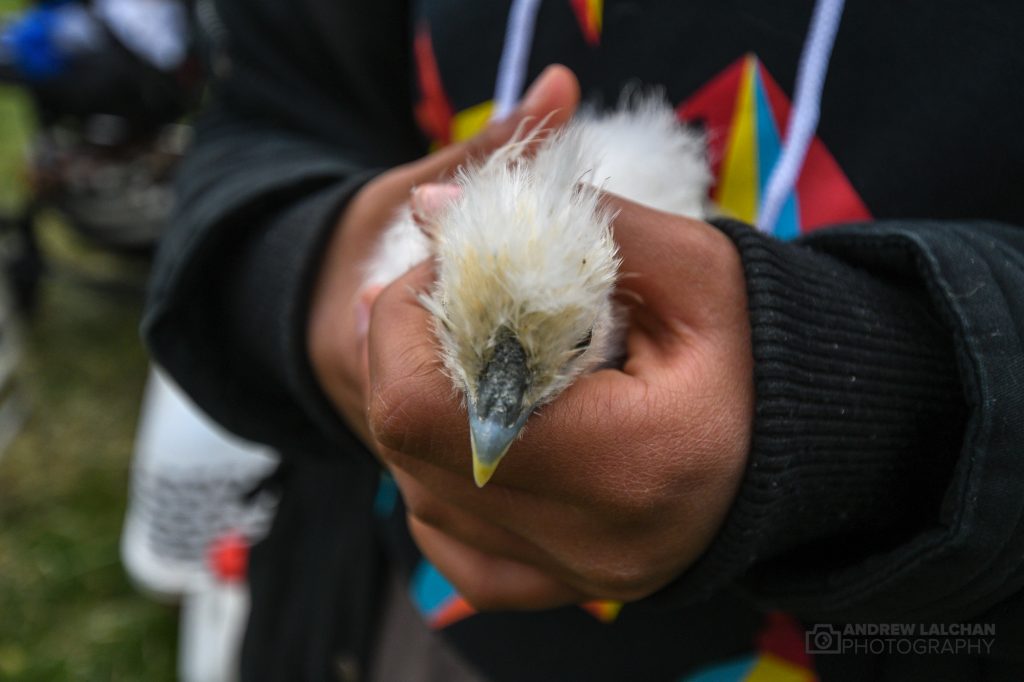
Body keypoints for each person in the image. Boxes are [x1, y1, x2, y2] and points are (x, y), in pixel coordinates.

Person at [143, 0, 1024, 680]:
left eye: (558, 348)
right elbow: (267, 105)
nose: (495, 418)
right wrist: (310, 272)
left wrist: (886, 391)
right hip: (394, 619)